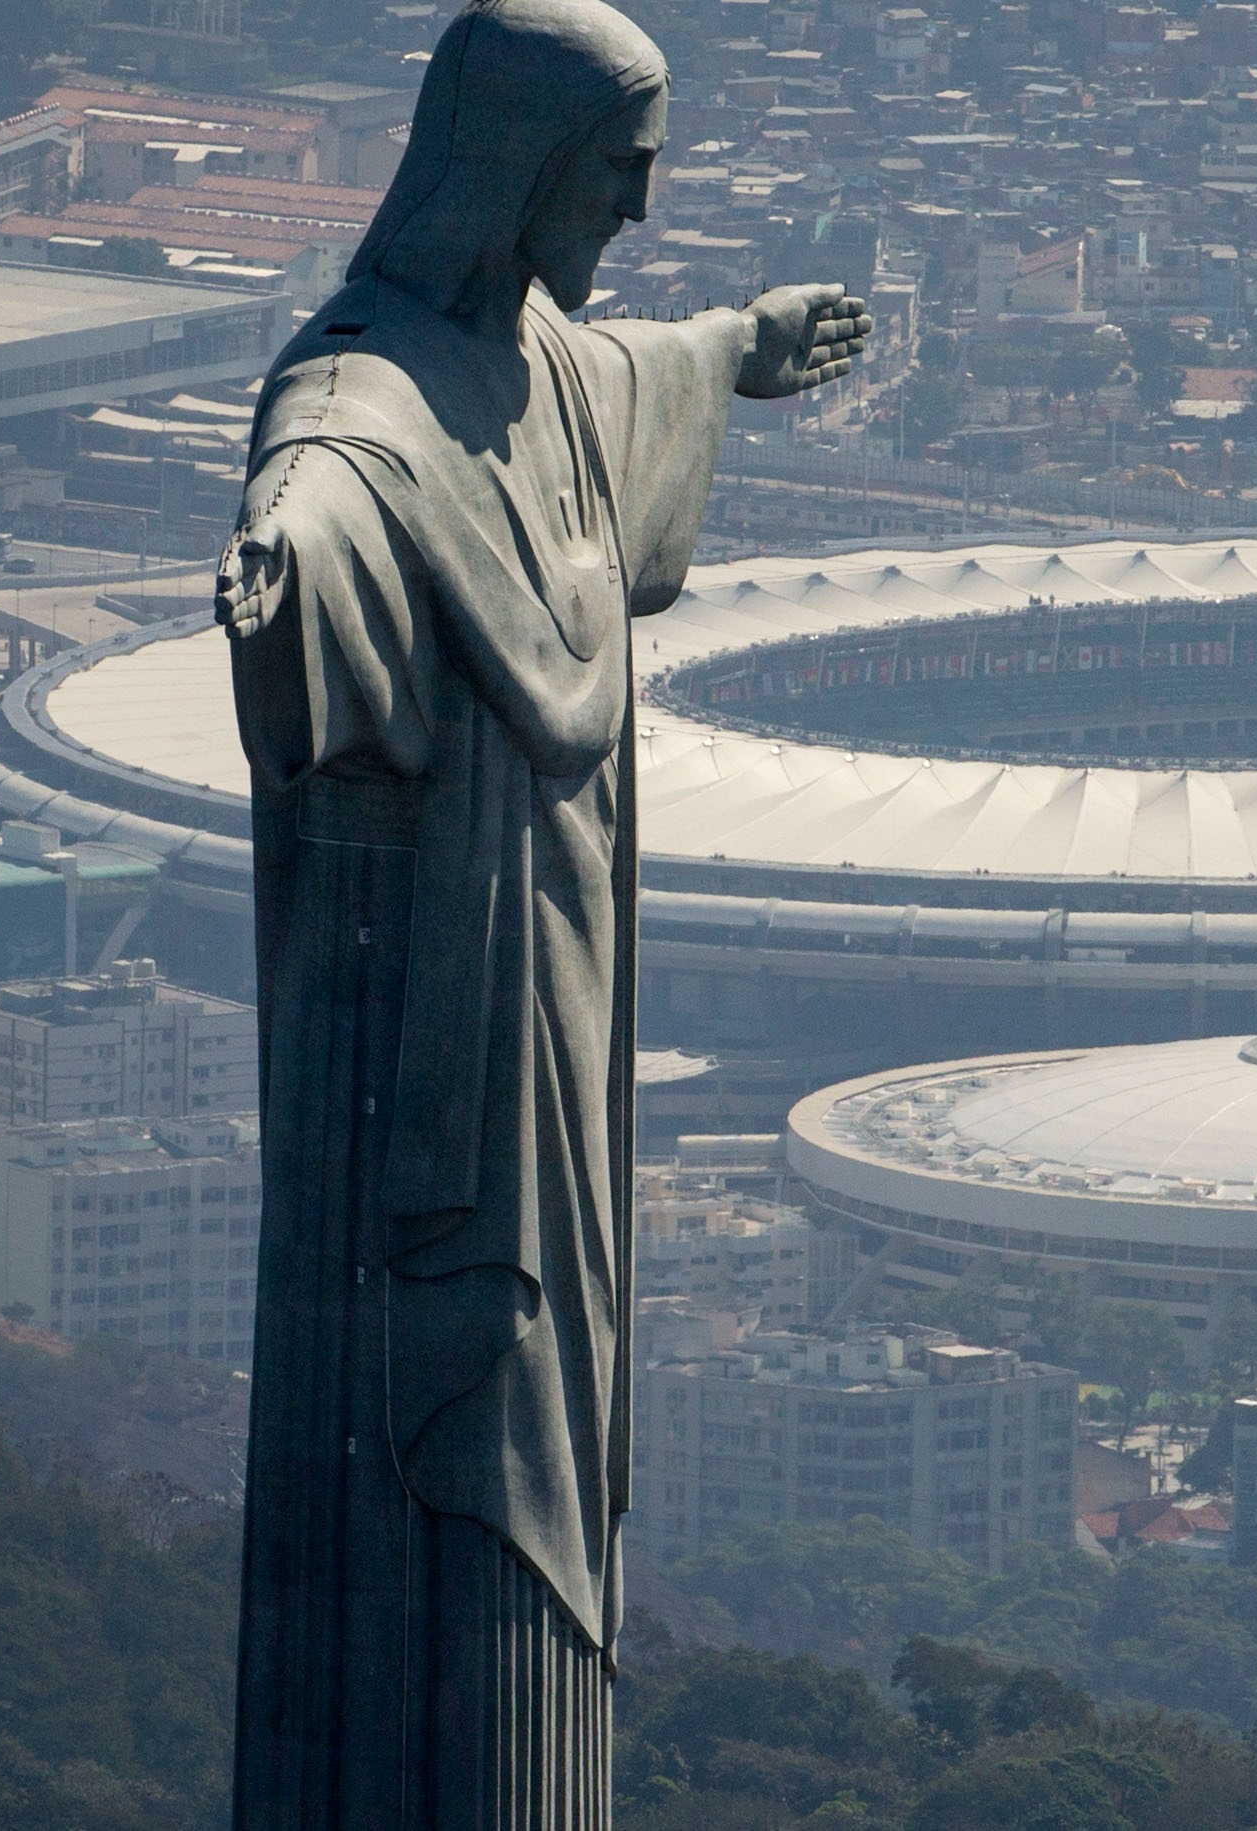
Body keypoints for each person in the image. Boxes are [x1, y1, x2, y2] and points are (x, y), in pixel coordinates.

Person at [213, 2, 866, 1820]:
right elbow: (325, 488)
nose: (634, 224)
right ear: (514, 172)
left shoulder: (554, 366)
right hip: (436, 1020)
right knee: (456, 1403)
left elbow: (629, 371)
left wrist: (737, 348)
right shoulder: (365, 407)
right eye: (616, 180)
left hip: (561, 1009)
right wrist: (290, 568)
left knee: (551, 1399)